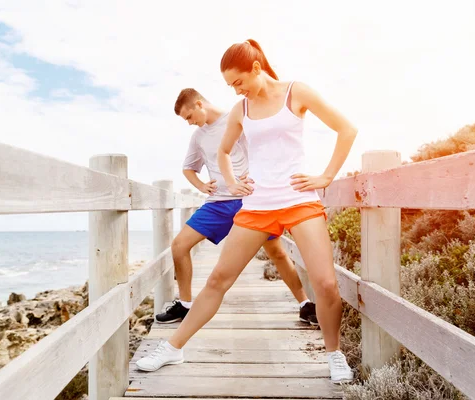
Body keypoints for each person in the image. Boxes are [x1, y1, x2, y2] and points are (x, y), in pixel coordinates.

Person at [137, 39, 357, 384]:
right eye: (229, 85)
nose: (235, 90)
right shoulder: (240, 110)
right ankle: (173, 348)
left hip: (299, 201)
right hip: (257, 205)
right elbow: (223, 152)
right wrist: (231, 182)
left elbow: (347, 129)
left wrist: (326, 176)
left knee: (326, 284)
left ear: (256, 68)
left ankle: (334, 353)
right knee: (218, 279)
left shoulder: (295, 92)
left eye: (238, 82)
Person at [154, 87, 318, 327]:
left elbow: (264, 148)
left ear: (199, 104)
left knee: (277, 252)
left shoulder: (237, 116)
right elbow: (188, 168)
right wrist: (201, 185)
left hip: (251, 200)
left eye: (189, 117)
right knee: (179, 246)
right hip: (218, 204)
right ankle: (186, 305)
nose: (189, 123)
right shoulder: (198, 137)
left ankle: (305, 304)